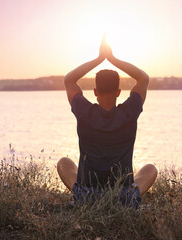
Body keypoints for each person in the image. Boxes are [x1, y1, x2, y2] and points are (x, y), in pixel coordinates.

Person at [57, 37, 157, 208]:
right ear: (119, 92)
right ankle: (128, 201)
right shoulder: (129, 113)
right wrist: (112, 59)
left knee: (63, 163)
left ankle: (82, 200)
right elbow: (143, 79)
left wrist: (98, 59)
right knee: (150, 169)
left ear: (95, 91)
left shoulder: (84, 112)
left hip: (87, 197)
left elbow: (69, 80)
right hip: (123, 197)